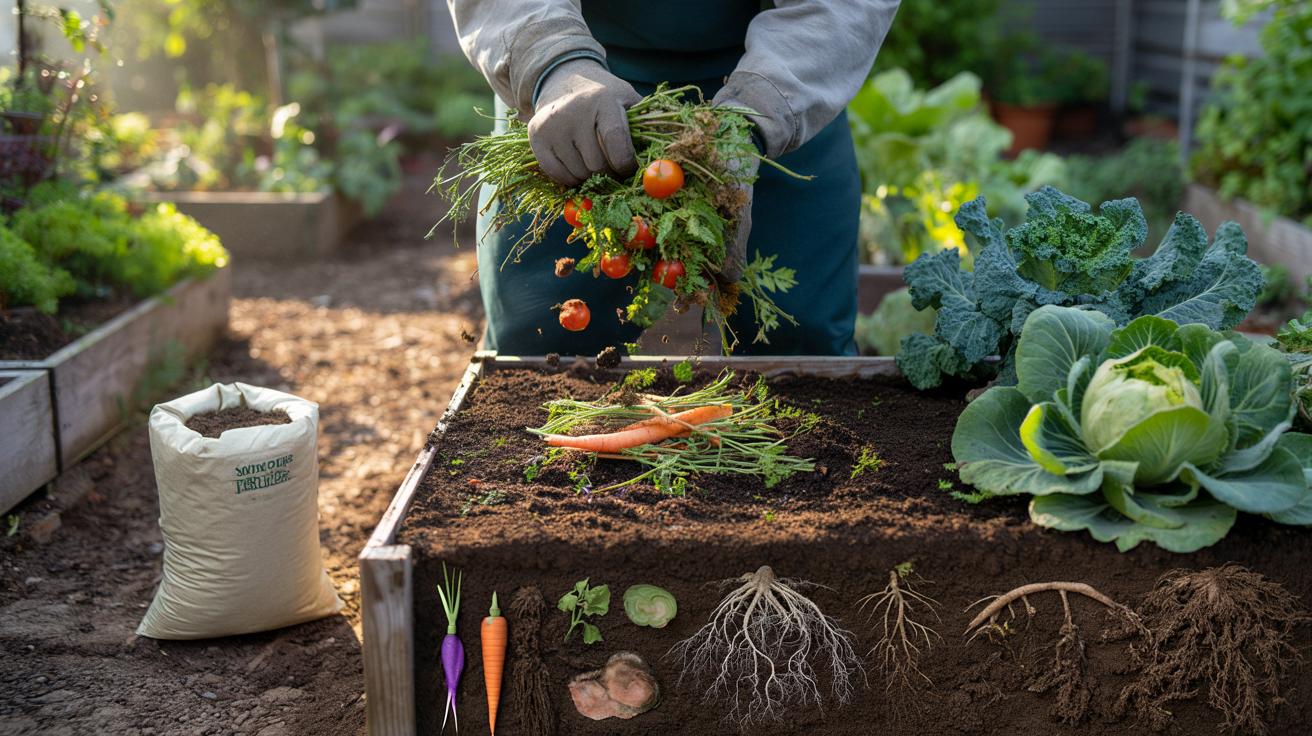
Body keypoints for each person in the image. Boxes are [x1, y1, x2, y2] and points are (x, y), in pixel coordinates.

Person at [449, 0, 901, 356]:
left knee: (800, 346)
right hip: (571, 95)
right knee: (541, 347)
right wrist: (552, 60)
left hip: (787, 79)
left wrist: (757, 112)